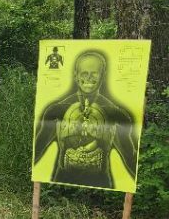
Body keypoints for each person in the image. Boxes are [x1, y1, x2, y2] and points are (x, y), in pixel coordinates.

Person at [33, 50, 138, 189]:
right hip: (62, 181)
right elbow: (38, 147)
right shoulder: (56, 111)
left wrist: (139, 184)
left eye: (94, 73)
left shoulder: (116, 115)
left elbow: (129, 155)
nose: (89, 77)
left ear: (102, 76)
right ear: (76, 76)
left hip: (100, 185)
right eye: (84, 73)